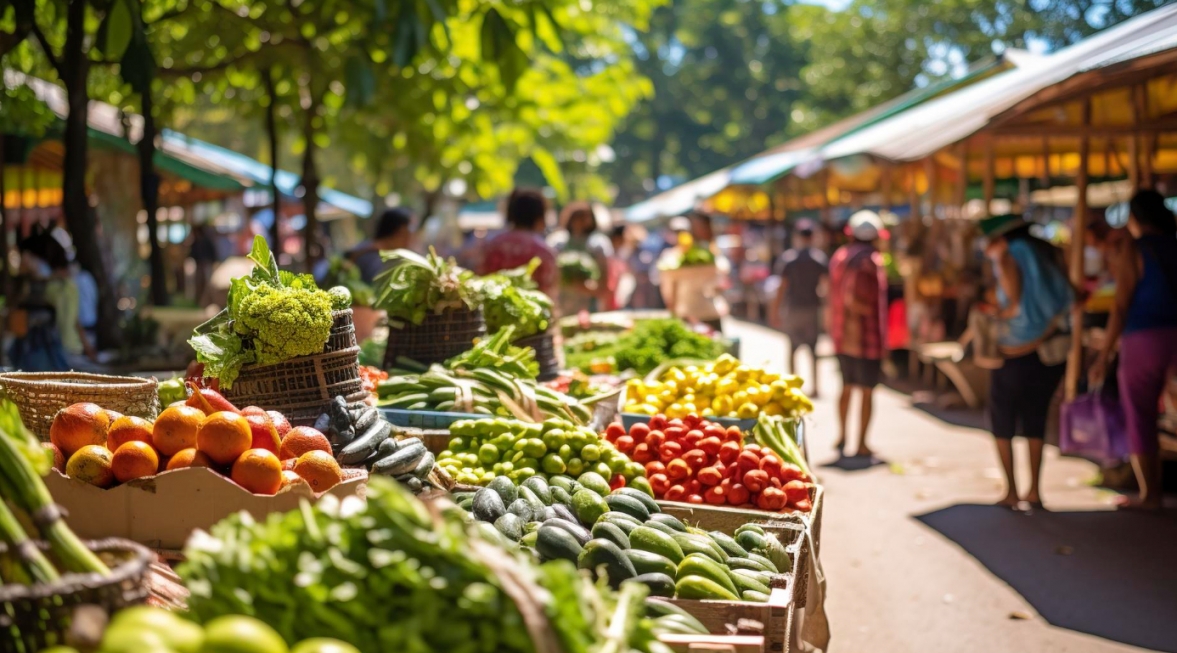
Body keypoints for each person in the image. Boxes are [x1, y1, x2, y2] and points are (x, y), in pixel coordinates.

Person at [1089, 189, 1177, 511]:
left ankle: (1150, 494)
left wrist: (1104, 355)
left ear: (1135, 218)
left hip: (1145, 341)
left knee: (1140, 416)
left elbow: (1121, 305)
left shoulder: (1136, 249)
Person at [981, 214, 1073, 510]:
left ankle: (1011, 491)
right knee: (1036, 419)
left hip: (1015, 351)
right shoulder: (1048, 253)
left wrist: (997, 313)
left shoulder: (1009, 256)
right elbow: (1072, 299)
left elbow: (1013, 300)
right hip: (1049, 352)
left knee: (1003, 420)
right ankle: (1034, 491)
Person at [828, 211, 888, 457]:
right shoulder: (870, 261)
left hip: (842, 335)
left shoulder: (840, 256)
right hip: (866, 339)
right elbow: (858, 300)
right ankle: (861, 443)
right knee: (866, 390)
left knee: (847, 386)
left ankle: (843, 436)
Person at [770, 220, 828, 397]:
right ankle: (816, 387)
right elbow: (826, 287)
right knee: (813, 350)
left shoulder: (789, 259)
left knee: (793, 349)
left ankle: (793, 386)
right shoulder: (819, 259)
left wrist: (775, 310)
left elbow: (782, 287)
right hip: (812, 308)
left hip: (793, 309)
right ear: (812, 237)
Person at [657, 212, 730, 332]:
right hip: (686, 314)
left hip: (709, 313)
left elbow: (722, 278)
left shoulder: (711, 252)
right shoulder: (673, 256)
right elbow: (669, 289)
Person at [480, 188, 558, 298]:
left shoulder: (492, 246)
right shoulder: (544, 252)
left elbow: (482, 281)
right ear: (540, 216)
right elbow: (548, 293)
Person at [548, 202, 612, 316]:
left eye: (585, 218)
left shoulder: (598, 244)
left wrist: (585, 286)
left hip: (589, 304)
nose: (582, 222)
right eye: (578, 218)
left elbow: (604, 281)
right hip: (562, 302)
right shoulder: (558, 242)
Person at [350, 207, 415, 284]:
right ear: (399, 232)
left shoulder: (364, 247)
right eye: (408, 232)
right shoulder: (377, 261)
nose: (410, 237)